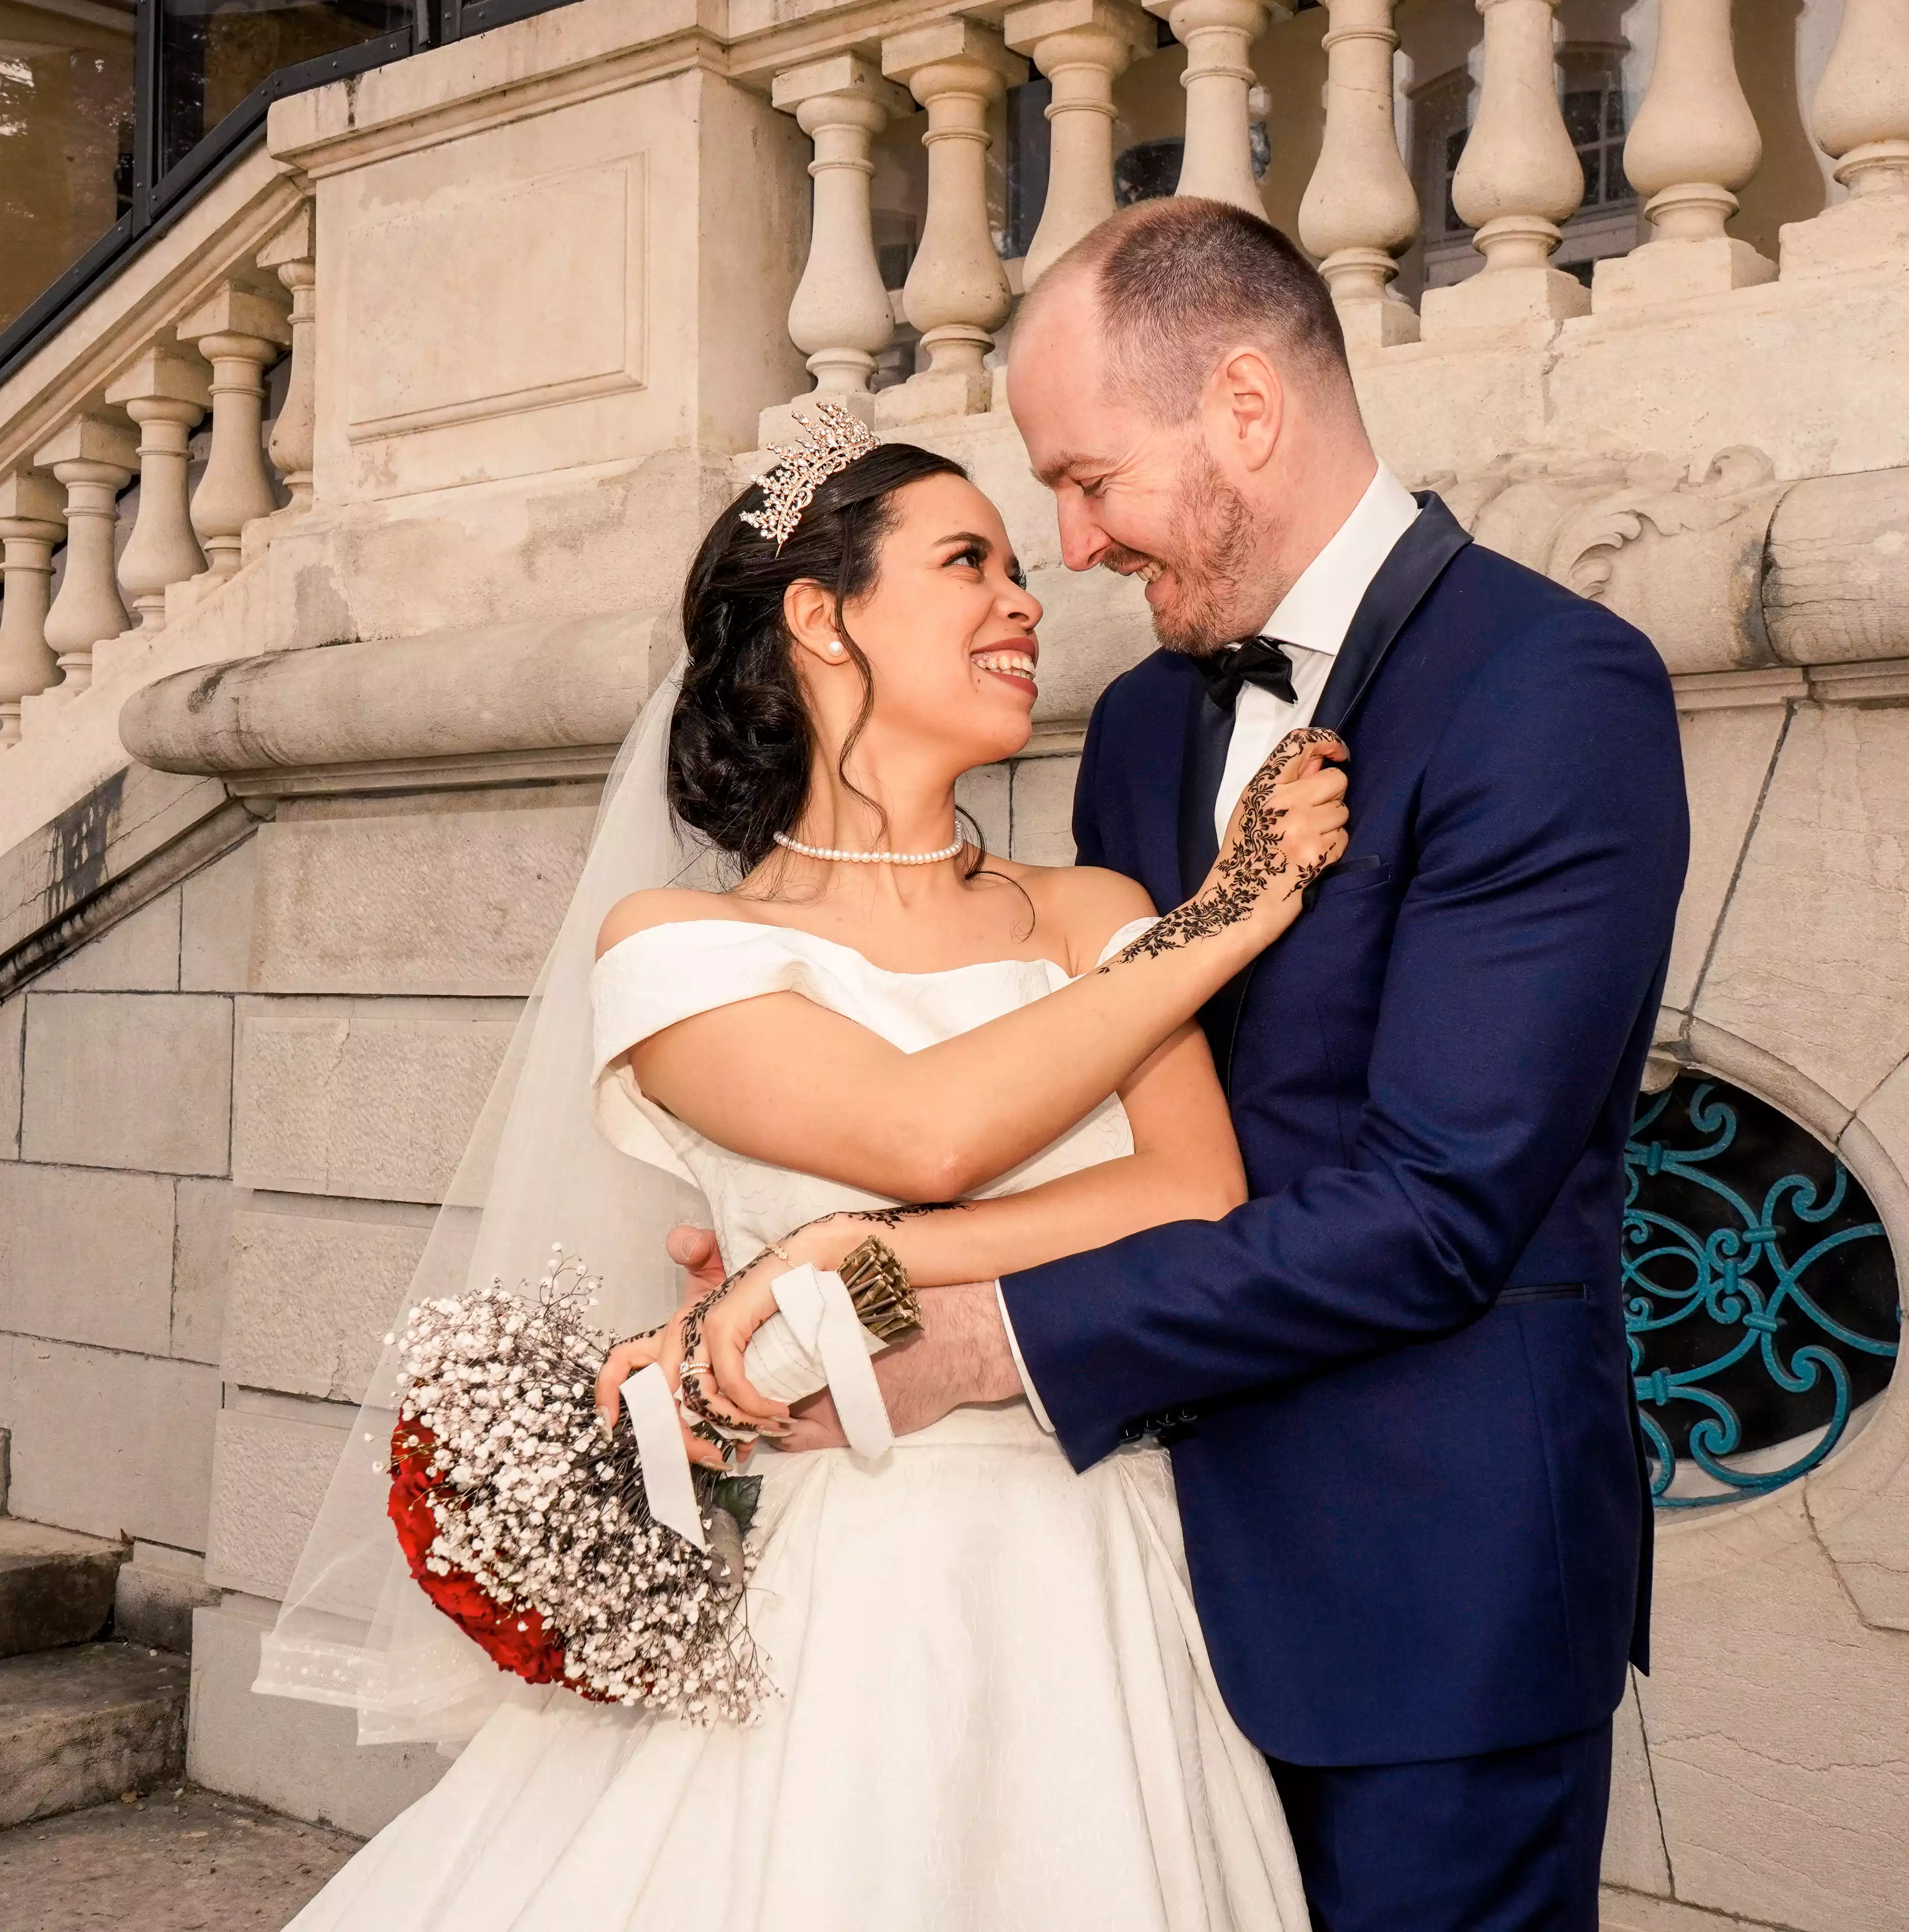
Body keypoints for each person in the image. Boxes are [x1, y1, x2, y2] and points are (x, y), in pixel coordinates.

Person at [676, 198, 1690, 1930]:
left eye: (1085, 481)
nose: (1066, 551)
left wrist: (978, 1344)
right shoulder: (1145, 726)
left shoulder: (1553, 690)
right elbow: (1105, 1115)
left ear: (1242, 409)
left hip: (1422, 1598)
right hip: (1127, 1592)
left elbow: (1442, 1209)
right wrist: (824, 1240)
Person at [270, 414, 1348, 1930]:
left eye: (1022, 566)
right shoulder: (677, 949)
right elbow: (928, 1136)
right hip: (858, 1572)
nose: (1026, 598)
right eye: (968, 560)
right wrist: (1229, 919)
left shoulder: (1086, 908)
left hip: (1104, 1544)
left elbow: (1193, 1198)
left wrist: (853, 1259)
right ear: (819, 615)